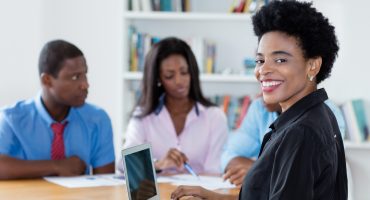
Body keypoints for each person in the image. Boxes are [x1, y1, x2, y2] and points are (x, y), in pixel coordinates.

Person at [171, 1, 348, 199]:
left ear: (313, 66)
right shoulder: (316, 114)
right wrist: (212, 197)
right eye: (260, 60)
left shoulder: (301, 132)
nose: (263, 70)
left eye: (280, 60)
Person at [0, 40, 115, 179]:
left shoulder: (97, 119)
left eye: (85, 74)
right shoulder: (11, 118)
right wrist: (56, 166)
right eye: (75, 77)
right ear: (47, 80)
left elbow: (107, 183)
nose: (85, 84)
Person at [121, 37, 228, 174]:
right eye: (169, 76)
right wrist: (158, 164)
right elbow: (124, 166)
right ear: (158, 79)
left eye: (184, 72)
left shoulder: (214, 117)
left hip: (198, 194)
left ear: (192, 72)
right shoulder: (143, 116)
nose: (179, 81)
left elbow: (214, 170)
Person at [221, 97, 346, 186]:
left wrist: (257, 172)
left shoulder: (325, 113)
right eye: (260, 62)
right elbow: (228, 155)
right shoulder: (259, 108)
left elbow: (306, 171)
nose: (261, 74)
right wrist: (256, 171)